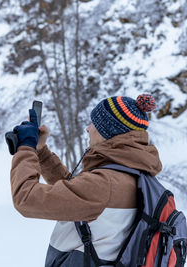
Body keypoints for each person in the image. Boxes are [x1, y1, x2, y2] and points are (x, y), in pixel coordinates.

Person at [10, 94, 163, 266]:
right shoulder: (132, 173)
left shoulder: (105, 184)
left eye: (93, 124)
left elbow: (26, 198)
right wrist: (41, 152)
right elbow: (77, 195)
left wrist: (26, 147)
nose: (88, 129)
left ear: (108, 132)